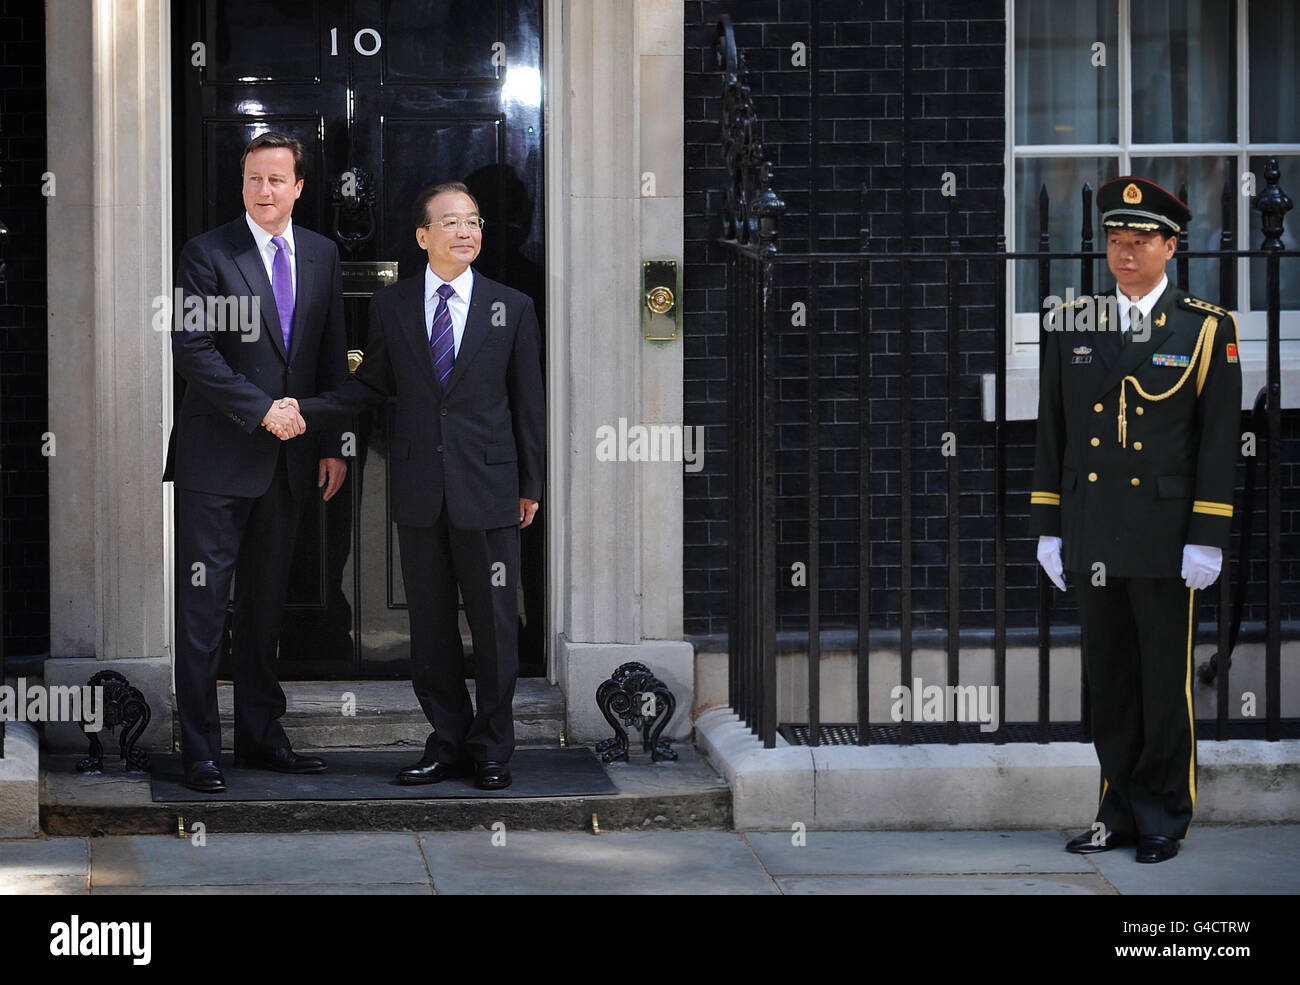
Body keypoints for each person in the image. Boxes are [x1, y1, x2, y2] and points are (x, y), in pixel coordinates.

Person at [295, 181, 544, 791]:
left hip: (488, 487)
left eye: (475, 221)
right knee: (429, 629)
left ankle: (492, 747)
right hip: (419, 488)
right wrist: (309, 408)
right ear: (422, 236)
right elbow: (371, 386)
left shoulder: (510, 307)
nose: (467, 231)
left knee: (493, 625)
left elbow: (528, 406)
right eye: (453, 222)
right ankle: (447, 741)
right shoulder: (392, 306)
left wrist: (530, 484)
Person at [1031, 176, 1242, 862]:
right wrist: (1050, 525)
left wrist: (1206, 536)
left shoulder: (1206, 327)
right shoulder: (1072, 323)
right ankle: (1115, 808)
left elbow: (1216, 440)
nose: (1124, 254)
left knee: (1162, 679)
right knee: (1109, 677)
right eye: (1116, 241)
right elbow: (1052, 429)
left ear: (1170, 247)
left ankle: (1163, 813)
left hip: (1164, 534)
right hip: (1093, 526)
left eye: (1139, 242)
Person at [165, 131, 349, 793]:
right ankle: (199, 749)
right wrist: (262, 408)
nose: (264, 191)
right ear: (241, 185)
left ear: (299, 186)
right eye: (253, 179)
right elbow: (193, 350)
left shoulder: (324, 255)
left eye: (276, 179)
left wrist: (330, 444)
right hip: (217, 461)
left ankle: (263, 739)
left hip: (292, 463)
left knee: (267, 608)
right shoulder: (207, 253)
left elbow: (330, 355)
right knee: (205, 608)